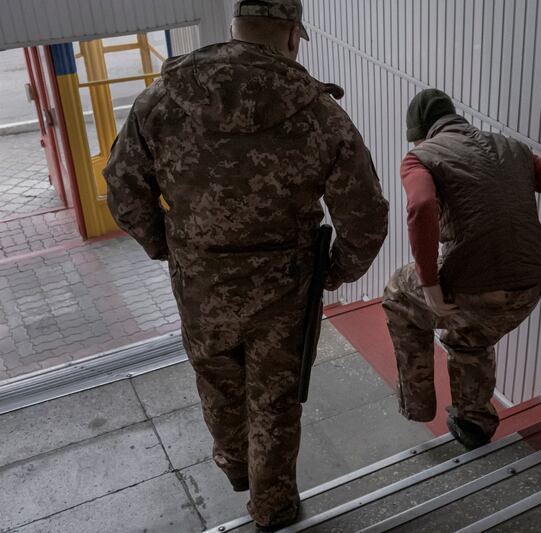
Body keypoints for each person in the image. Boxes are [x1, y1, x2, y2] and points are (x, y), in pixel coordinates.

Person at [103, 1, 389, 530]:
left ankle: (236, 466)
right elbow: (367, 218)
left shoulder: (159, 101)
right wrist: (332, 275)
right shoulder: (321, 114)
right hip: (285, 289)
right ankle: (273, 506)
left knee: (217, 381)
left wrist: (169, 247)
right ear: (292, 36)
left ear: (233, 27)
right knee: (275, 398)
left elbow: (122, 192)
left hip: (200, 285)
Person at [383, 89, 541, 450]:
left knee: (398, 295)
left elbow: (422, 205)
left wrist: (429, 283)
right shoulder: (513, 148)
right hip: (528, 287)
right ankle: (473, 422)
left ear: (422, 132)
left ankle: (417, 404)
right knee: (471, 334)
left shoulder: (420, 157)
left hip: (472, 287)